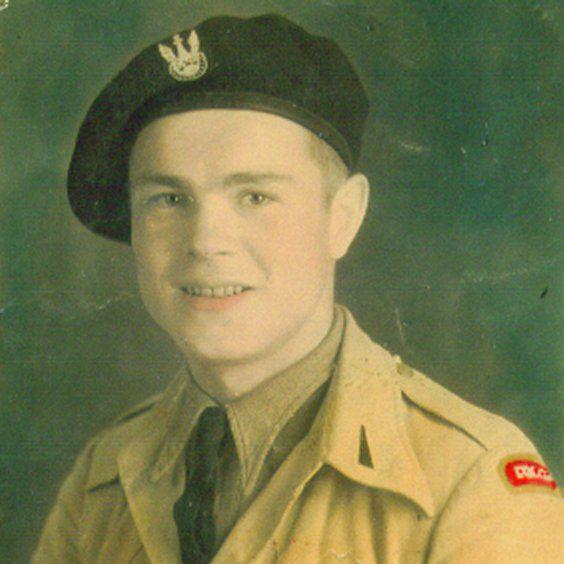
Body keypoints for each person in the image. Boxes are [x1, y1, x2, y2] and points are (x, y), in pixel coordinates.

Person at [33, 13, 562, 564]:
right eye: (169, 199)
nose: (205, 243)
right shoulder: (103, 476)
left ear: (344, 216)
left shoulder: (467, 484)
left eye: (254, 197)